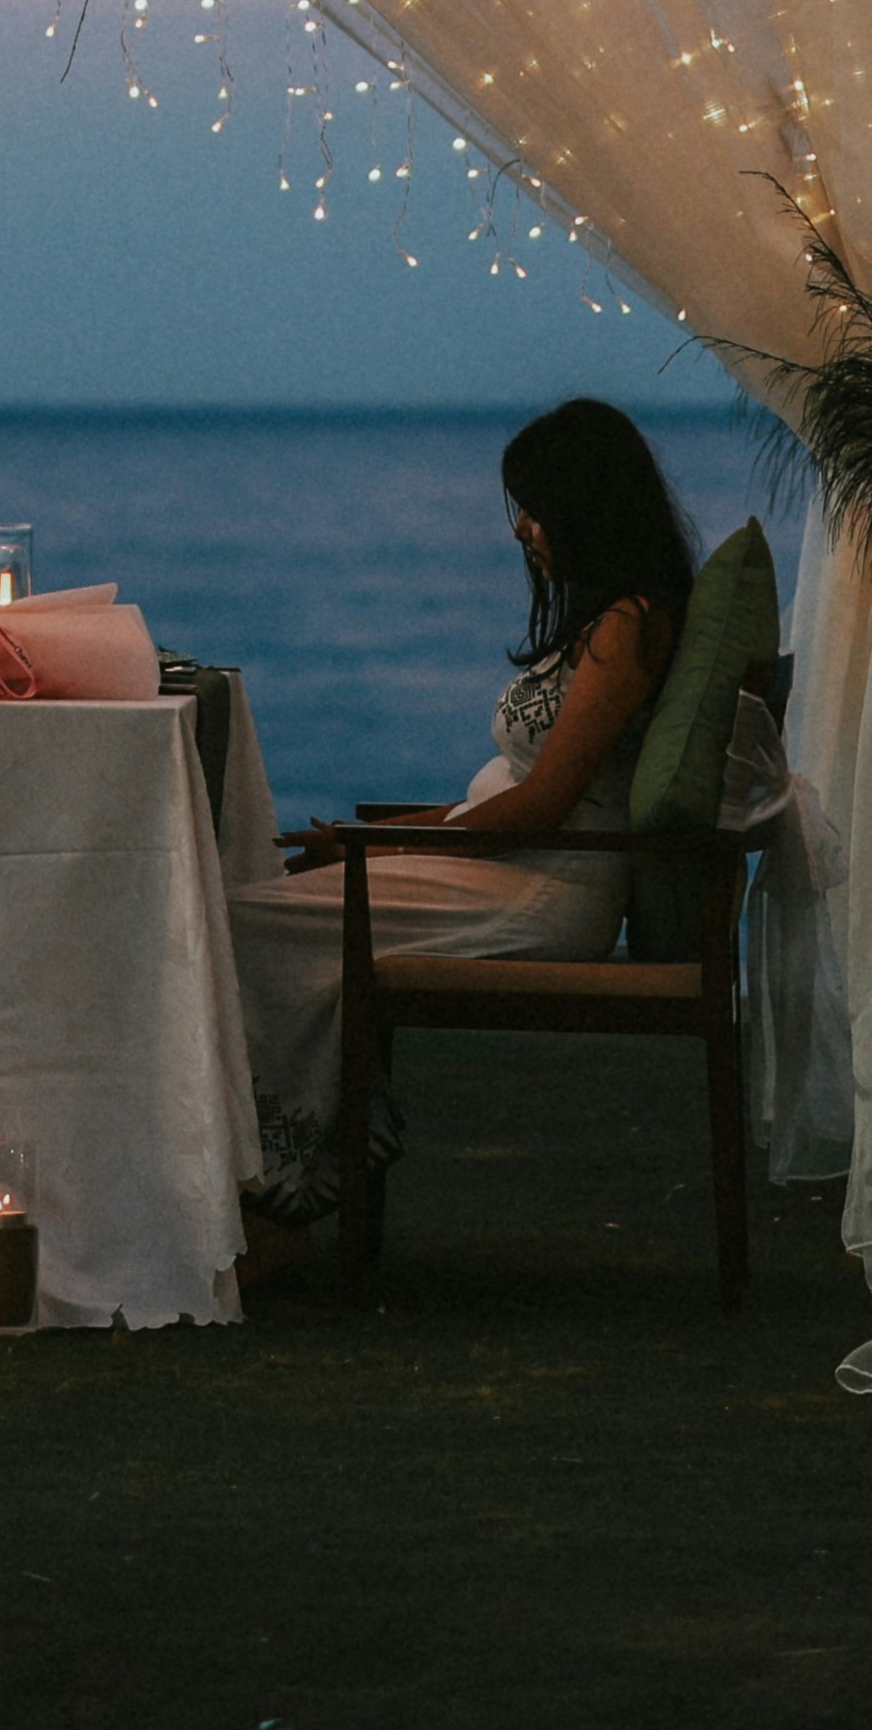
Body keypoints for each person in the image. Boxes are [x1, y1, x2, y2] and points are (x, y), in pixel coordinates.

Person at [232, 399, 711, 1220]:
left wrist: (365, 851)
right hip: (504, 864)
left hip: (542, 889)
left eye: (534, 507)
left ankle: (286, 1177)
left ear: (583, 504)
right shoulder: (606, 621)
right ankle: (339, 1131)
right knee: (255, 911)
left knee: (237, 928)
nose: (521, 528)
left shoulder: (628, 627)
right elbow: (505, 801)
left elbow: (541, 805)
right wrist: (368, 839)